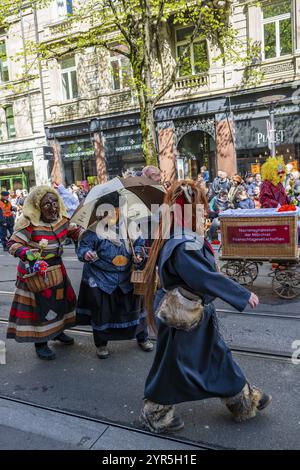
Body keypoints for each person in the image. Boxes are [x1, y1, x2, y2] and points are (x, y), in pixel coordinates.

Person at [139, 180, 271, 433]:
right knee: (173, 364)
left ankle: (241, 399)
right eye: (199, 207)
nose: (204, 213)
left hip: (194, 311)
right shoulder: (181, 241)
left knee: (216, 354)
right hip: (182, 315)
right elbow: (202, 277)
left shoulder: (180, 235)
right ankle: (156, 412)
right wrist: (241, 294)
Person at [6, 185, 80, 360]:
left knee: (60, 303)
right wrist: (27, 253)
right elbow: (12, 244)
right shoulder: (29, 223)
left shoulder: (61, 219)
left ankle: (58, 332)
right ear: (37, 205)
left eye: (55, 201)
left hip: (57, 269)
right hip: (35, 273)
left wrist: (86, 232)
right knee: (40, 309)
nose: (52, 206)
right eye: (47, 203)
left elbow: (73, 232)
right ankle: (41, 343)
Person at [76, 192, 153, 359]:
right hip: (101, 278)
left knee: (134, 309)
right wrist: (86, 254)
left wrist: (138, 254)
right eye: (105, 213)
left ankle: (142, 338)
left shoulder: (130, 226)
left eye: (113, 212)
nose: (108, 215)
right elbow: (82, 248)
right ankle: (101, 345)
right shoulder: (93, 230)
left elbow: (140, 244)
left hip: (127, 278)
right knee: (101, 312)